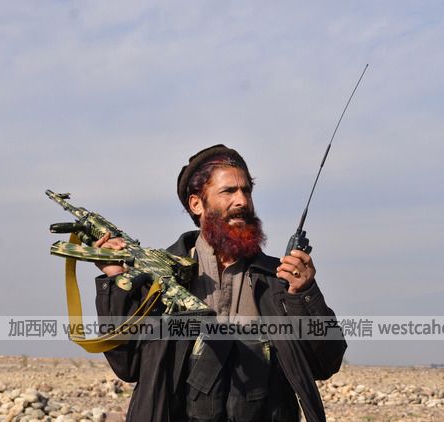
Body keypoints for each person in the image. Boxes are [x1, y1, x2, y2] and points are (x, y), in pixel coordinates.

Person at [93, 145, 346, 422]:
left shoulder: (278, 280)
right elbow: (128, 365)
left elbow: (325, 364)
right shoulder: (161, 278)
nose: (242, 201)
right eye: (229, 191)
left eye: (246, 191)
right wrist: (116, 281)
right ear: (196, 204)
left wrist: (304, 295)